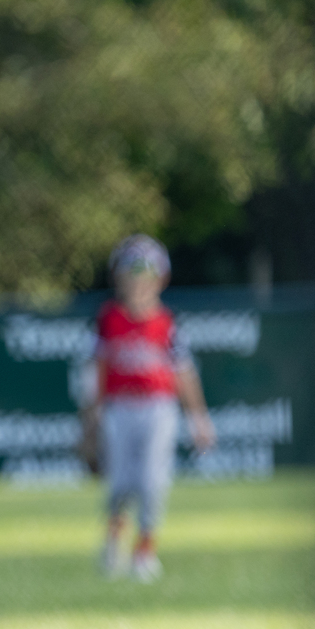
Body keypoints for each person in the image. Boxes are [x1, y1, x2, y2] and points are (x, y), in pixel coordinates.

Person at [93, 234, 216, 582]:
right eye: (131, 272)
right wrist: (89, 420)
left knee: (151, 482)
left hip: (158, 408)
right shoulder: (109, 320)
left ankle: (144, 552)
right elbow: (96, 372)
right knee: (119, 484)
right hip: (119, 408)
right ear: (118, 277)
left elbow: (184, 374)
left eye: (146, 273)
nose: (138, 282)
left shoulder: (167, 324)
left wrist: (199, 419)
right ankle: (113, 539)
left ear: (161, 279)